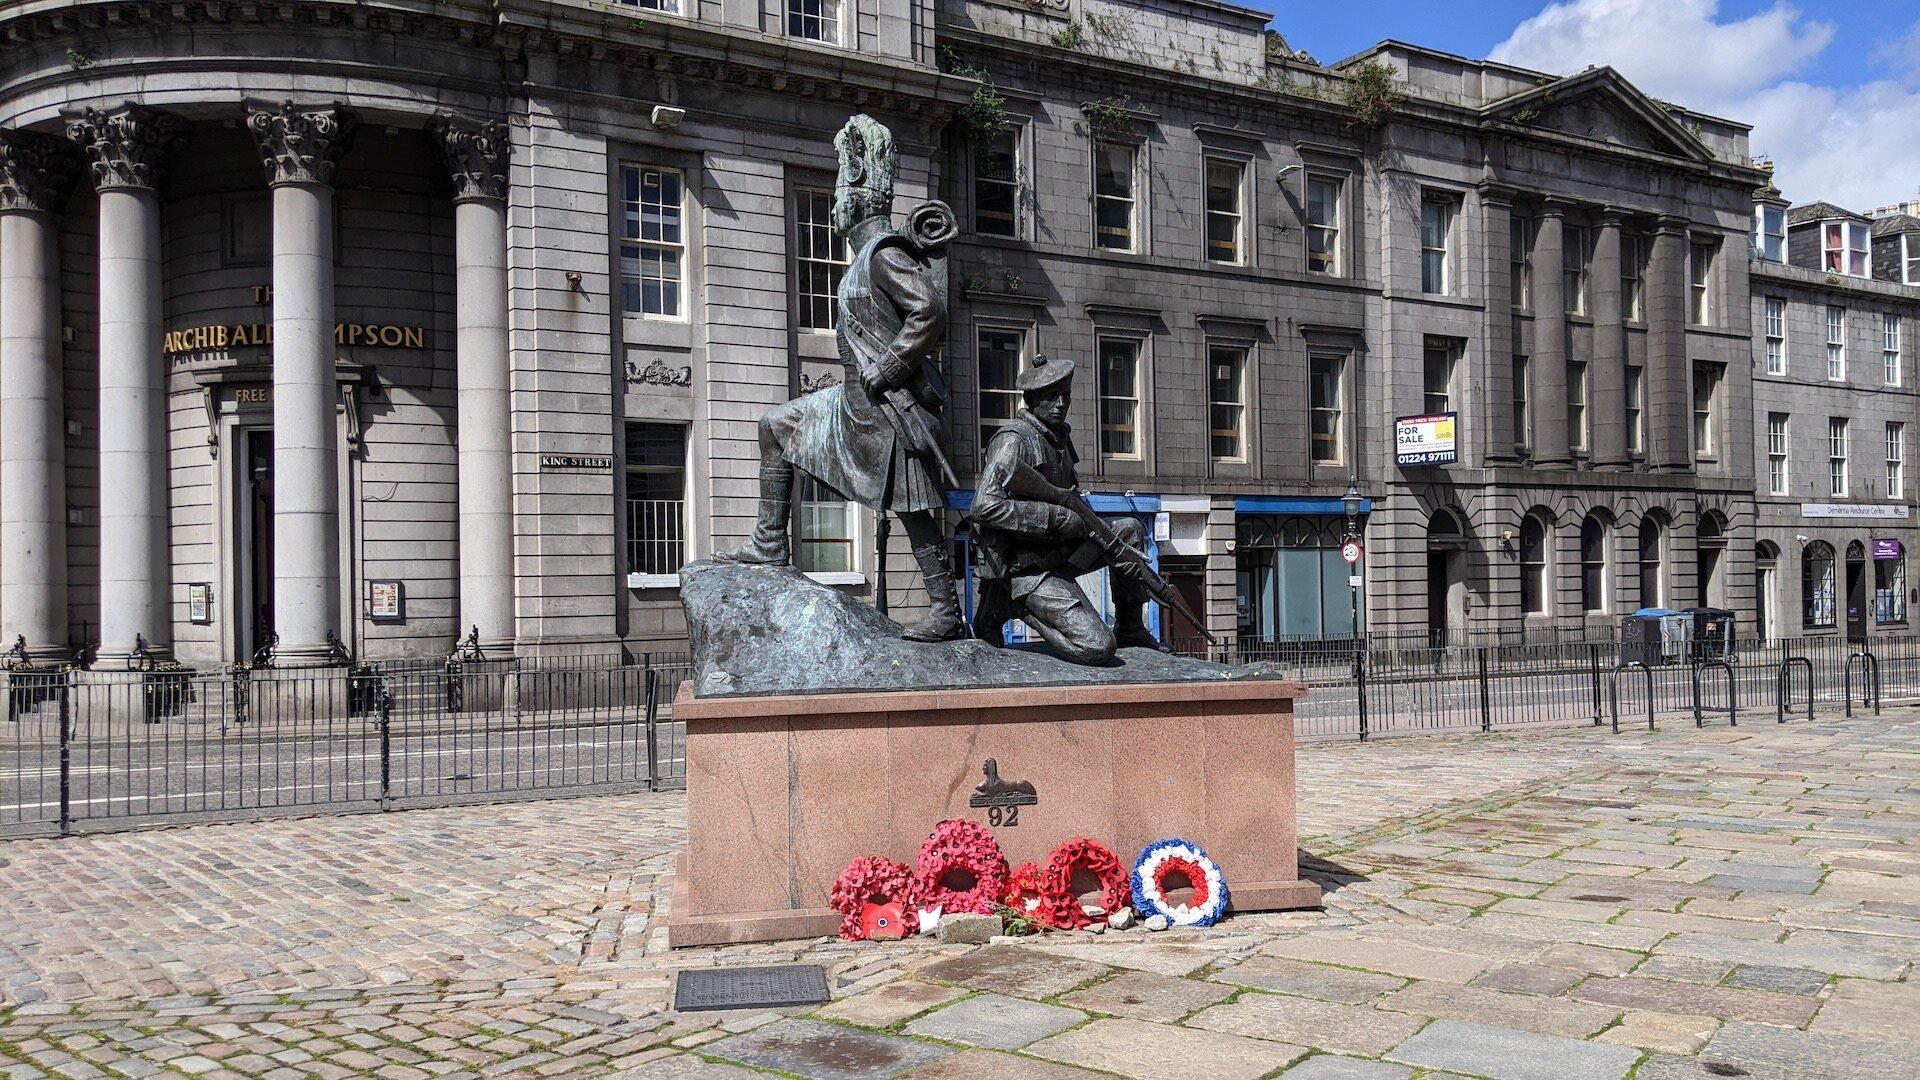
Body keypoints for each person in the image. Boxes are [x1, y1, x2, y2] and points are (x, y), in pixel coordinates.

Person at [714, 115, 964, 643]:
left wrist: (893, 364)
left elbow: (930, 310)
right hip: (853, 401)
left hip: (886, 405)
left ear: (857, 197)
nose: (832, 204)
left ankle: (946, 608)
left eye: (838, 192)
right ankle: (769, 543)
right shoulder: (860, 261)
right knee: (775, 426)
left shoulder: (883, 252)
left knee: (916, 509)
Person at [969, 354, 1165, 665]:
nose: (1061, 403)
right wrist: (1054, 518)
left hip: (1062, 554)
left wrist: (1109, 545)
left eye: (1066, 395)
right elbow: (984, 506)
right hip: (1028, 569)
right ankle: (1012, 603)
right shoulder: (1013, 441)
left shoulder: (1060, 438)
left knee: (1129, 529)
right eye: (1051, 396)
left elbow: (1070, 496)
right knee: (1097, 646)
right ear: (1032, 400)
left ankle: (1131, 628)